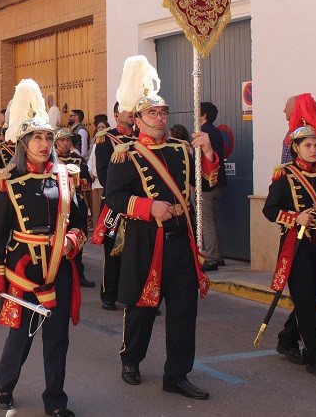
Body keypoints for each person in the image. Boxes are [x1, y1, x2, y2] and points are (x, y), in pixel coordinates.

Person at [105, 55, 218, 399]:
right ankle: (131, 359)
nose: (160, 118)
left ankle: (177, 374)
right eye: (152, 113)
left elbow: (208, 184)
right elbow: (113, 198)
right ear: (138, 119)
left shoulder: (184, 149)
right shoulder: (127, 153)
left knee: (184, 312)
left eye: (164, 113)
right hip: (145, 240)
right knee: (142, 307)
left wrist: (209, 151)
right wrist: (148, 206)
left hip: (180, 243)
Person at [0, 78, 87, 417]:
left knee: (57, 338)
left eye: (48, 137)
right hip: (24, 270)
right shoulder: (8, 182)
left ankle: (55, 401)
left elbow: (79, 220)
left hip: (59, 266)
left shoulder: (66, 176)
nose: (45, 144)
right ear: (24, 142)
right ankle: (4, 383)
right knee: (21, 336)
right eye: (37, 138)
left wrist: (74, 239)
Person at [263, 123, 316, 380]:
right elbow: (269, 210)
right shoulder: (284, 177)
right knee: (305, 300)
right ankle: (315, 354)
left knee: (312, 296)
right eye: (308, 145)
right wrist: (296, 217)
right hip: (296, 247)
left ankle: (287, 338)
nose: (314, 150)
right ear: (296, 148)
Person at [93, 101, 136, 311]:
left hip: (139, 205)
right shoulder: (106, 139)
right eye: (128, 109)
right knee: (112, 252)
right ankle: (109, 294)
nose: (132, 113)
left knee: (138, 252)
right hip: (115, 204)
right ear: (116, 114)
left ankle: (136, 295)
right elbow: (103, 174)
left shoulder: (143, 139)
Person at [55, 127, 95, 288]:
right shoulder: (51, 161)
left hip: (76, 203)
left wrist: (75, 182)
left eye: (68, 140)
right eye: (62, 140)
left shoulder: (78, 161)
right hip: (58, 204)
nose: (65, 143)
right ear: (56, 142)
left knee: (78, 236)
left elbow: (88, 183)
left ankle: (79, 273)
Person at [199, 102, 227, 272]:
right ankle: (219, 256)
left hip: (206, 183)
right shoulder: (216, 132)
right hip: (219, 183)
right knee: (215, 221)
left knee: (207, 222)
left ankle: (210, 259)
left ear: (203, 115)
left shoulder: (204, 133)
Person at [282, 94, 316, 164]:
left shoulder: (311, 132)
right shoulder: (292, 130)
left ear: (295, 108)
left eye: (286, 106)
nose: (284, 110)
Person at [87, 118, 109, 230]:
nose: (100, 129)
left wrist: (94, 173)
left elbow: (102, 162)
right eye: (98, 127)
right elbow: (91, 160)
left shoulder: (106, 142)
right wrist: (89, 171)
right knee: (95, 209)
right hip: (94, 181)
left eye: (103, 127)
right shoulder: (95, 142)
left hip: (100, 181)